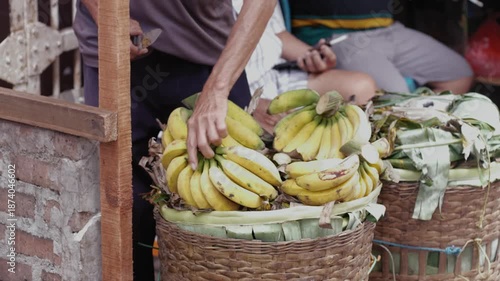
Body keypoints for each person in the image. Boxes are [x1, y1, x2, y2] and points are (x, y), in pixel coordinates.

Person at [74, 0, 276, 279]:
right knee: (122, 217)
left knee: (234, 217)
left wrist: (217, 89)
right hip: (114, 49)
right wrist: (101, 10)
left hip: (207, 54)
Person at [232, 1, 377, 133]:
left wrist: (311, 57)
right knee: (289, 140)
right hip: (235, 91)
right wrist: (247, 102)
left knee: (362, 88)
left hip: (272, 75)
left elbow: (277, 34)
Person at [286, 0, 474, 94]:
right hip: (341, 39)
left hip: (387, 30)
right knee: (399, 101)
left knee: (459, 73)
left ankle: (415, 112)